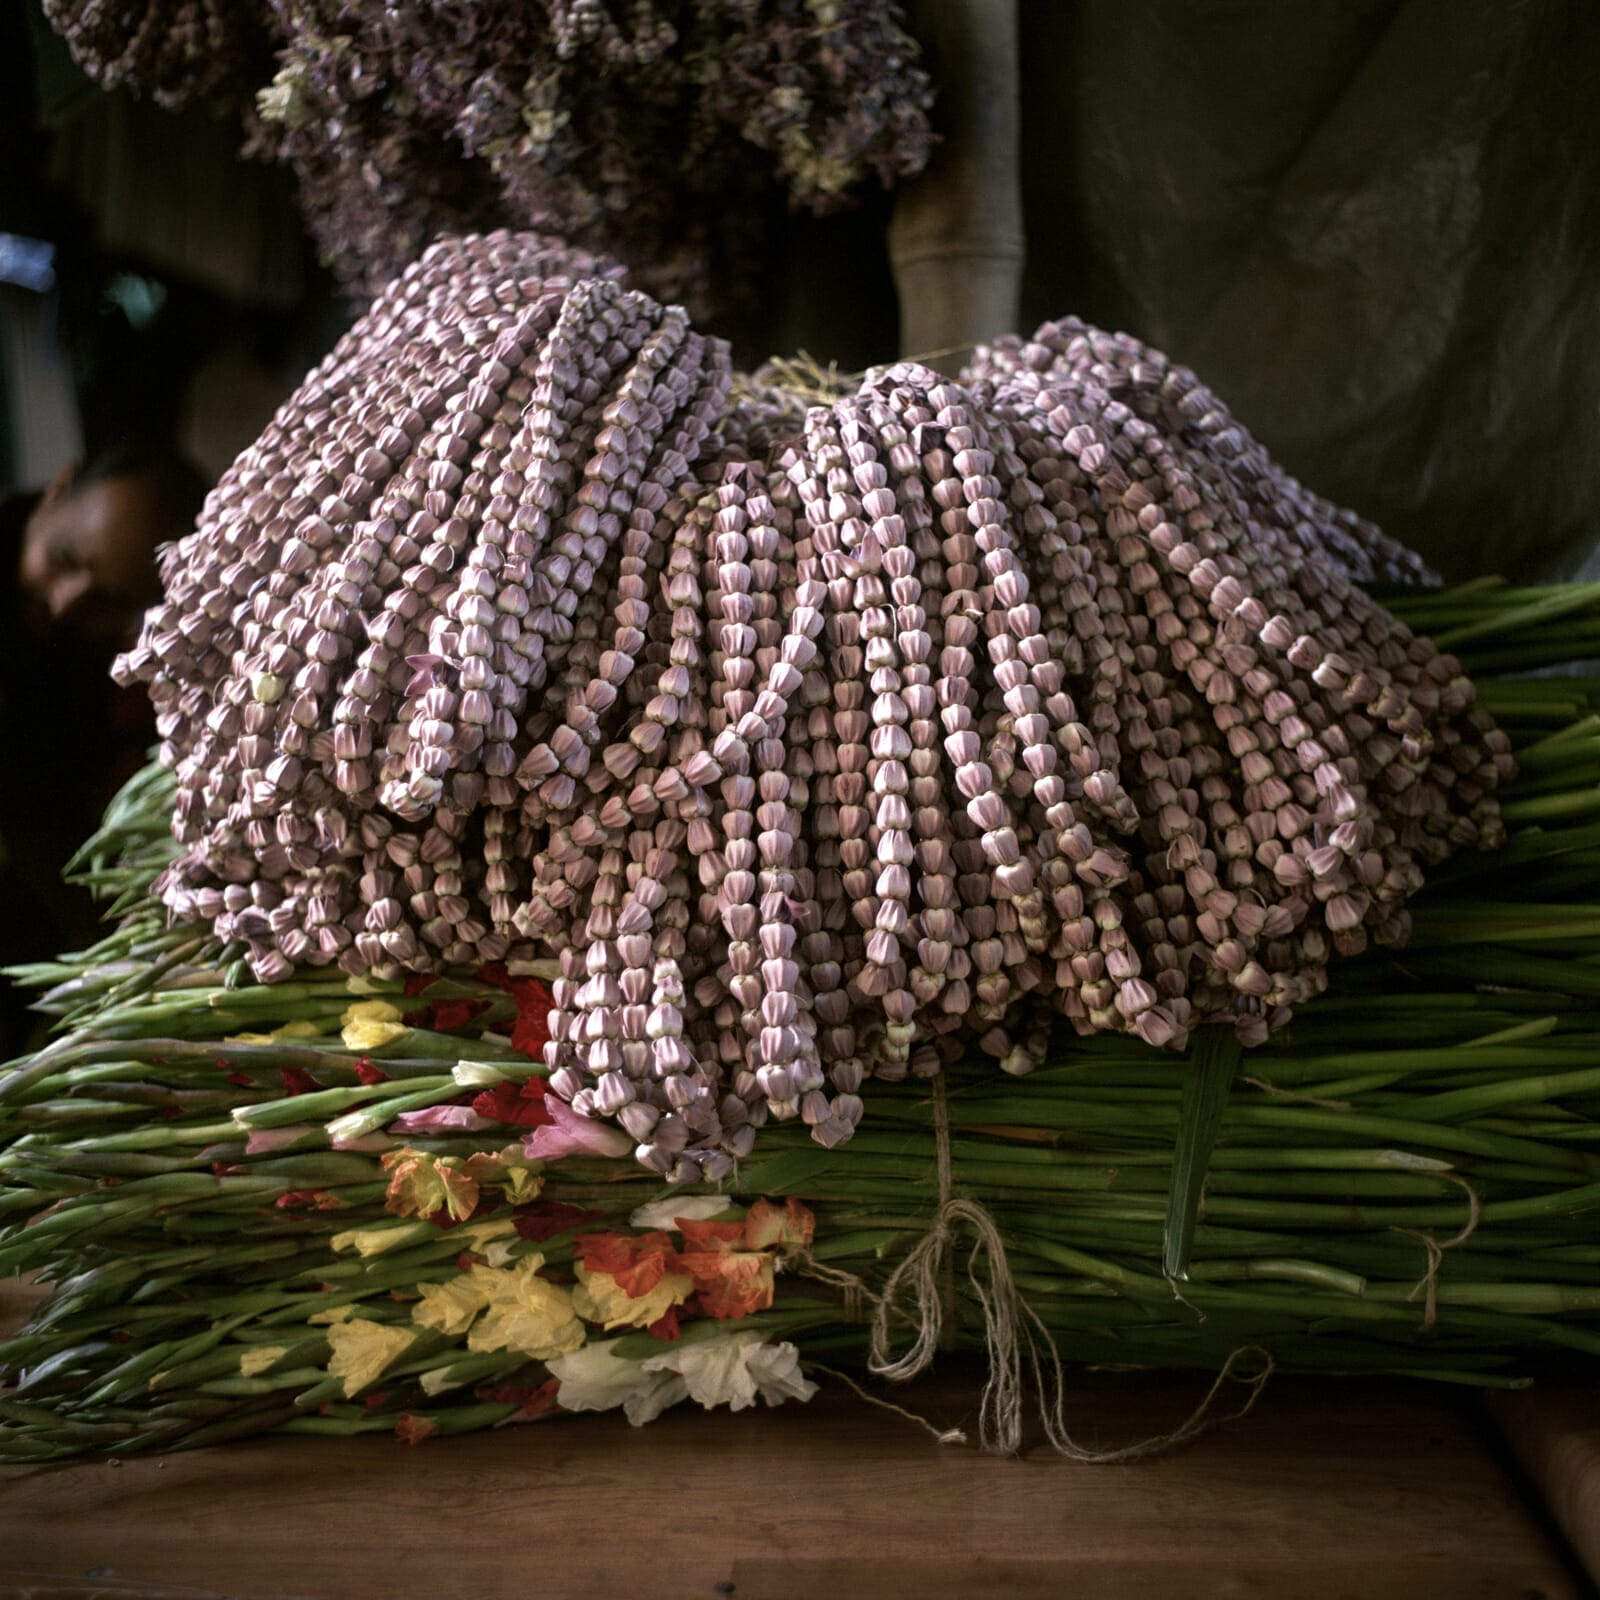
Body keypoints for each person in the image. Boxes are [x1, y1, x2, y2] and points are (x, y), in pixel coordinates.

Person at [0, 440, 206, 1056]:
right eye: (63, 557)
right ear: (59, 487)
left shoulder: (107, 665)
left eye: (110, 603)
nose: (67, 601)